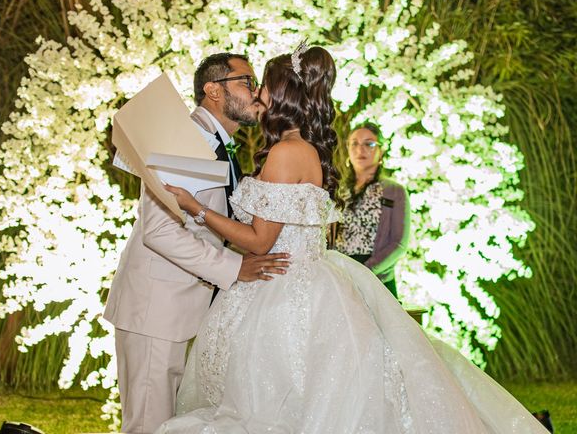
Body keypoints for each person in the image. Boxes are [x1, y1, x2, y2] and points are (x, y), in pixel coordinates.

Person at [159, 45, 547, 433]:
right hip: (310, 281)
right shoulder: (308, 149)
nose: (258, 93)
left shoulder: (285, 153)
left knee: (272, 404)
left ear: (280, 95)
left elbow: (260, 241)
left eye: (264, 85)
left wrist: (196, 207)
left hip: (281, 290)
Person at [103, 53, 290, 434]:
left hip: (187, 307)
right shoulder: (183, 139)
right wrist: (235, 268)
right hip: (156, 308)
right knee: (148, 425)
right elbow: (160, 231)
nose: (256, 93)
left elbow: (209, 224)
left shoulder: (222, 145)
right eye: (247, 82)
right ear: (213, 90)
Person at [334, 123, 410, 298]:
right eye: (354, 143)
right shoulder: (337, 191)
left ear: (381, 151)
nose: (360, 149)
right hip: (341, 280)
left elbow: (398, 244)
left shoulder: (394, 190)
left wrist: (365, 272)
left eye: (369, 144)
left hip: (377, 279)